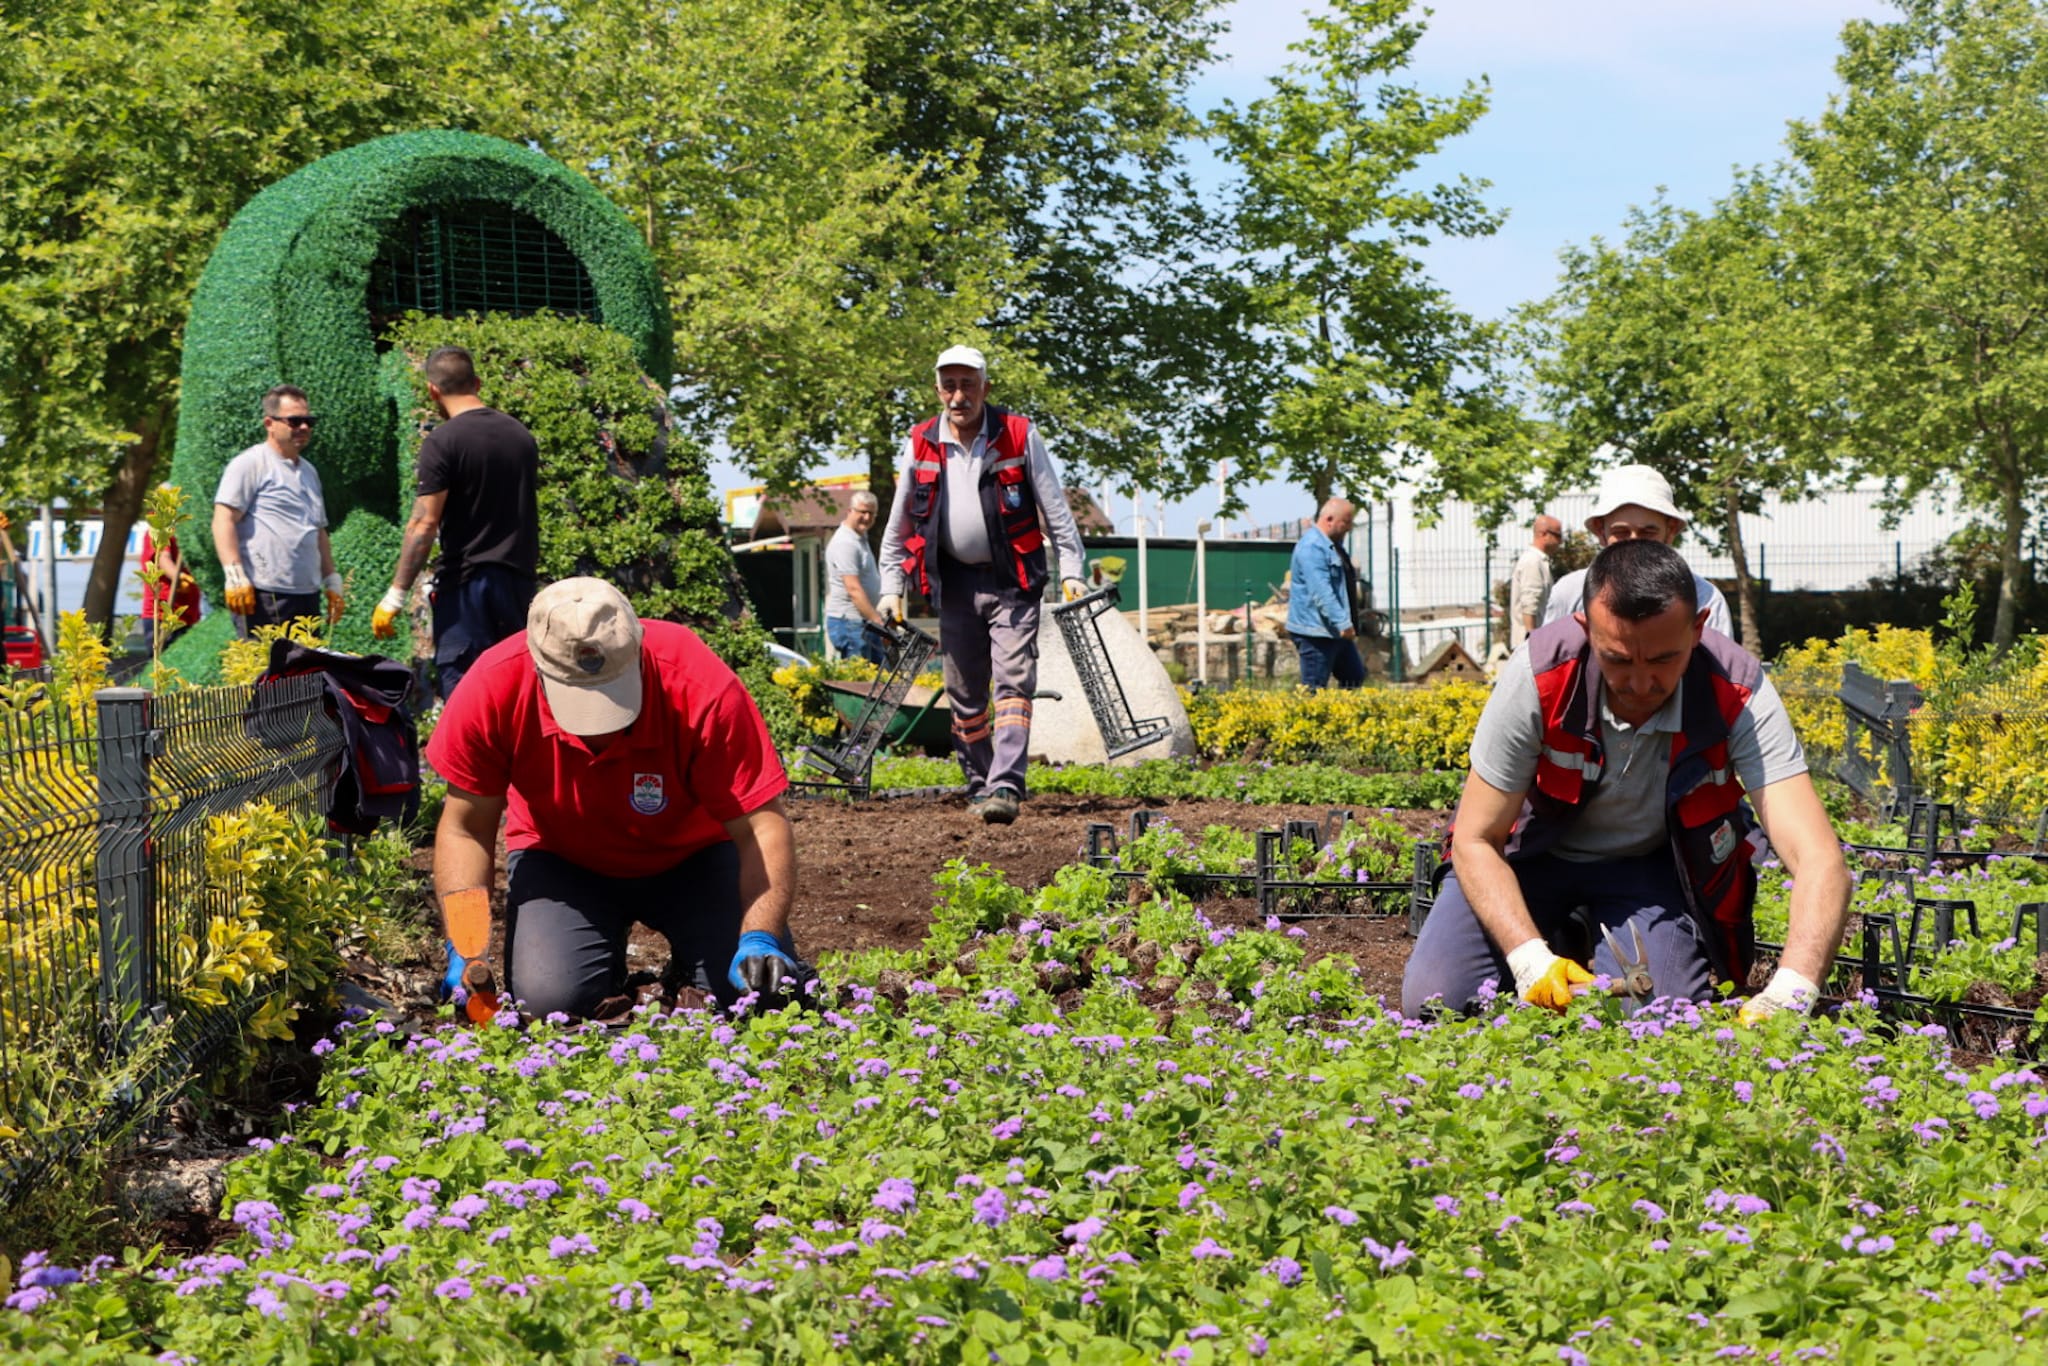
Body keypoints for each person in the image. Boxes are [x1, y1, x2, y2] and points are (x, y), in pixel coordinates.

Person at [1401, 539, 1848, 1023]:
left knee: (1658, 1018)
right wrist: (1528, 958)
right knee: (1436, 1003)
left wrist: (1794, 990)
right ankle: (1556, 931)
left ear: (1697, 630)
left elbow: (1820, 858)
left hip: (1647, 872)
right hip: (1530, 859)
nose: (1639, 685)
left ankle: (1581, 929)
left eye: (1661, 661)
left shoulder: (1737, 686)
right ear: (1585, 628)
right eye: (1617, 658)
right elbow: (1474, 838)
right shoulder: (1539, 672)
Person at [424, 576, 804, 1019]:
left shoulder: (698, 683)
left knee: (754, 993)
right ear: (538, 665)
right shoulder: (494, 685)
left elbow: (762, 824)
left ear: (639, 648)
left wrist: (759, 935)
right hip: (563, 862)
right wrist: (466, 947)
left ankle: (692, 965)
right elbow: (466, 827)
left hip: (695, 857)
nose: (599, 724)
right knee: (551, 1004)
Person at [373, 346, 541, 701]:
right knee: (518, 693)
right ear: (476, 382)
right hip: (519, 587)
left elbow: (423, 523)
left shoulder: (443, 441)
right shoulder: (520, 437)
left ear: (433, 390)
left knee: (467, 699)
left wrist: (395, 595)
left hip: (467, 588)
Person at [211, 385, 344, 635]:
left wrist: (332, 579)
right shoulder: (250, 463)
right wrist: (234, 573)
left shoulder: (309, 472)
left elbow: (318, 530)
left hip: (307, 595)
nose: (304, 427)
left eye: (308, 421)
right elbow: (223, 519)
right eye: (294, 421)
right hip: (265, 595)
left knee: (305, 674)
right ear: (269, 423)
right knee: (266, 672)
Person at [1541, 464, 1733, 638]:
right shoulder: (1570, 593)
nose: (1634, 542)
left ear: (1670, 531)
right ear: (1601, 531)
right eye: (1621, 532)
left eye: (1648, 532)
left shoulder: (1704, 599)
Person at [1286, 498, 1365, 689]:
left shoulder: (1331, 545)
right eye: (1346, 522)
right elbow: (1321, 591)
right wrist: (1343, 622)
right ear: (1329, 519)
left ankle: (1341, 717)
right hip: (1316, 632)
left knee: (1353, 676)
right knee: (1314, 688)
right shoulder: (1312, 547)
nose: (1349, 528)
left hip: (1335, 631)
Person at [823, 491, 887, 665]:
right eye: (862, 512)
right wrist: (877, 620)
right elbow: (853, 589)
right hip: (851, 622)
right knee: (860, 682)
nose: (866, 518)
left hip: (863, 622)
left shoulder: (860, 538)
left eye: (871, 513)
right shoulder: (846, 543)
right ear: (850, 511)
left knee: (876, 679)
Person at [135, 521, 202, 652]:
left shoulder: (184, 531)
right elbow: (162, 558)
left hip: (189, 615)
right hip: (162, 615)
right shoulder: (159, 528)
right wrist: (178, 578)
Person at [1508, 514, 1561, 651]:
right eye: (1557, 536)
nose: (1560, 542)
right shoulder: (1533, 562)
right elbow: (1530, 603)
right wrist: (1531, 640)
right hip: (1531, 646)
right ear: (1543, 534)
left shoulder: (1539, 561)